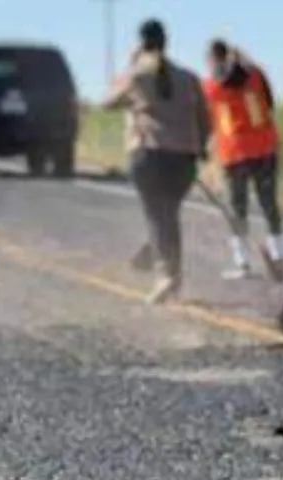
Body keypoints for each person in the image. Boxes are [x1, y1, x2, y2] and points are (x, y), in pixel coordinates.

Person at [103, 19, 210, 304]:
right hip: (185, 160)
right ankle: (161, 259)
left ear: (142, 42)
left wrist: (131, 66)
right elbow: (205, 119)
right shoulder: (189, 77)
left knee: (158, 215)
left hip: (149, 154)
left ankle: (167, 274)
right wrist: (202, 147)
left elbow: (107, 102)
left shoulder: (137, 75)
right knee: (167, 215)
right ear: (166, 42)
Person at [203, 40, 283, 282]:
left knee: (237, 210)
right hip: (265, 148)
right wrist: (246, 59)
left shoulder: (210, 86)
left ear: (212, 60)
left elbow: (207, 121)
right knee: (269, 204)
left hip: (234, 152)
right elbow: (269, 103)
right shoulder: (256, 75)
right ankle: (279, 256)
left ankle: (243, 263)